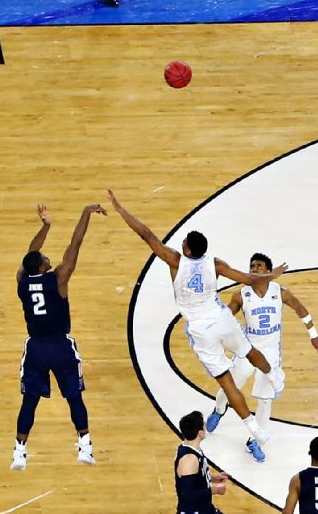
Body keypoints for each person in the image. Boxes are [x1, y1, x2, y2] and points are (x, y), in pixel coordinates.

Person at [108, 189, 286, 457]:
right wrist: (273, 274)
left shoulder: (175, 262)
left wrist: (121, 210)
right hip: (222, 317)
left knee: (227, 383)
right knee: (249, 351)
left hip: (201, 329)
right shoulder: (215, 263)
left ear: (187, 248)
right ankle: (274, 376)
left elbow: (146, 235)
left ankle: (256, 431)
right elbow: (249, 279)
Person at [12, 203, 107, 471]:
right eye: (44, 258)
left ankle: (19, 452)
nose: (47, 257)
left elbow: (27, 257)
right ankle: (85, 447)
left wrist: (46, 226)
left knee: (29, 400)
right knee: (74, 397)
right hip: (60, 345)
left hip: (36, 348)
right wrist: (85, 213)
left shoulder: (21, 280)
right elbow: (75, 245)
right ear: (42, 268)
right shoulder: (59, 279)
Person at [206, 252, 318, 463]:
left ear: (269, 271)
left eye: (259, 266)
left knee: (265, 401)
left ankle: (255, 442)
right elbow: (227, 315)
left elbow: (300, 309)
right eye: (252, 266)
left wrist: (313, 334)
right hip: (247, 350)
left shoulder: (281, 292)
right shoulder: (241, 294)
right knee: (230, 387)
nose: (255, 268)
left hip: (270, 354)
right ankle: (219, 409)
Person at [175, 411, 243, 514]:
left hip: (207, 510)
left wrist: (213, 477)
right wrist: (215, 489)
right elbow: (188, 494)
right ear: (200, 433)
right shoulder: (189, 460)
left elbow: (196, 477)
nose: (206, 428)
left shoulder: (192, 449)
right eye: (204, 426)